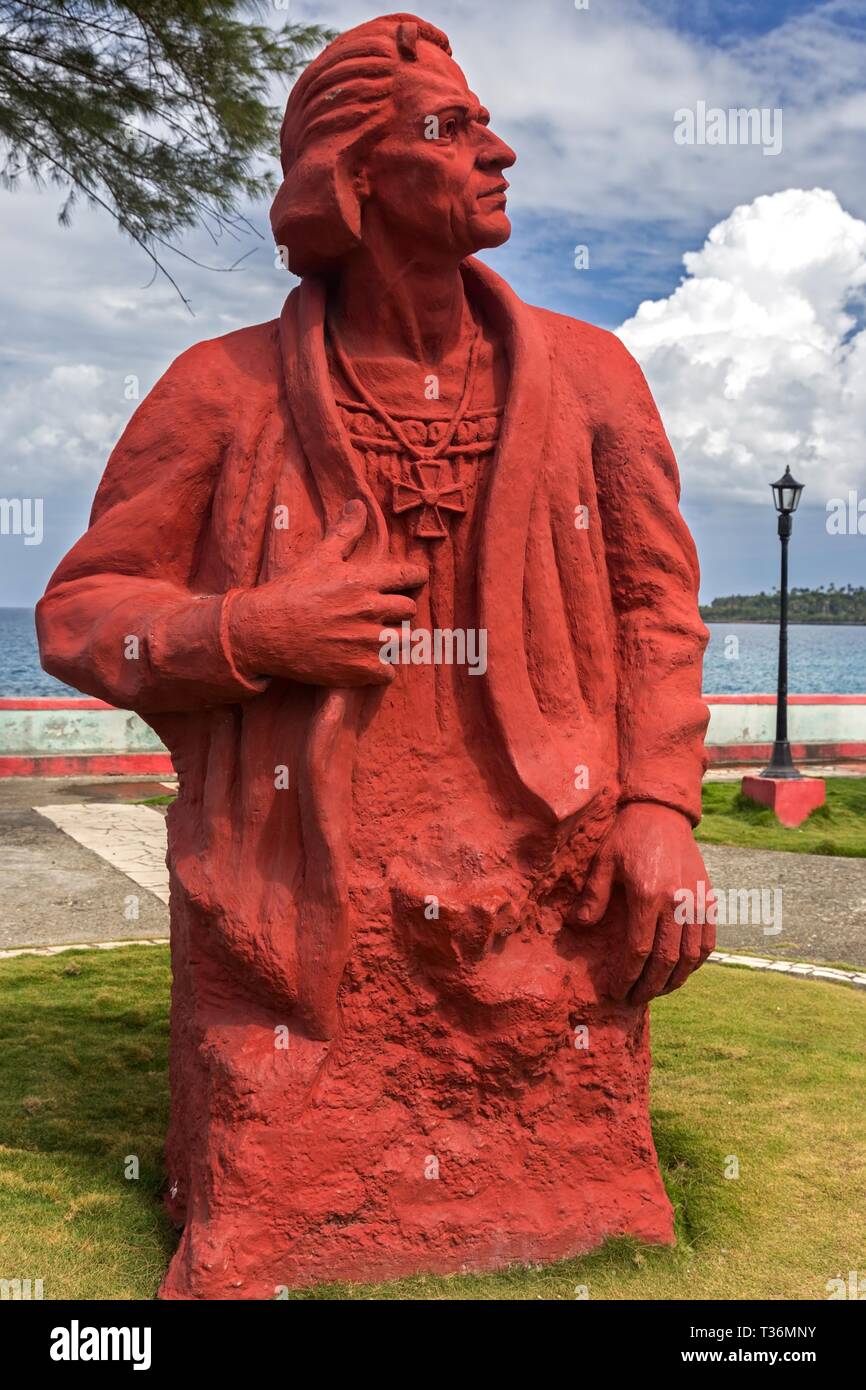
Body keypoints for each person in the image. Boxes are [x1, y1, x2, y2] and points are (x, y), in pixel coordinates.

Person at [38, 13, 715, 1298]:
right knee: (283, 1135)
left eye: (486, 123)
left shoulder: (591, 378)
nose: (498, 150)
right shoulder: (219, 391)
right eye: (449, 130)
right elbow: (83, 613)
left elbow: (657, 614)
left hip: (545, 878)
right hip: (307, 885)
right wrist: (251, 631)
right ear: (352, 178)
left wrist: (658, 805)